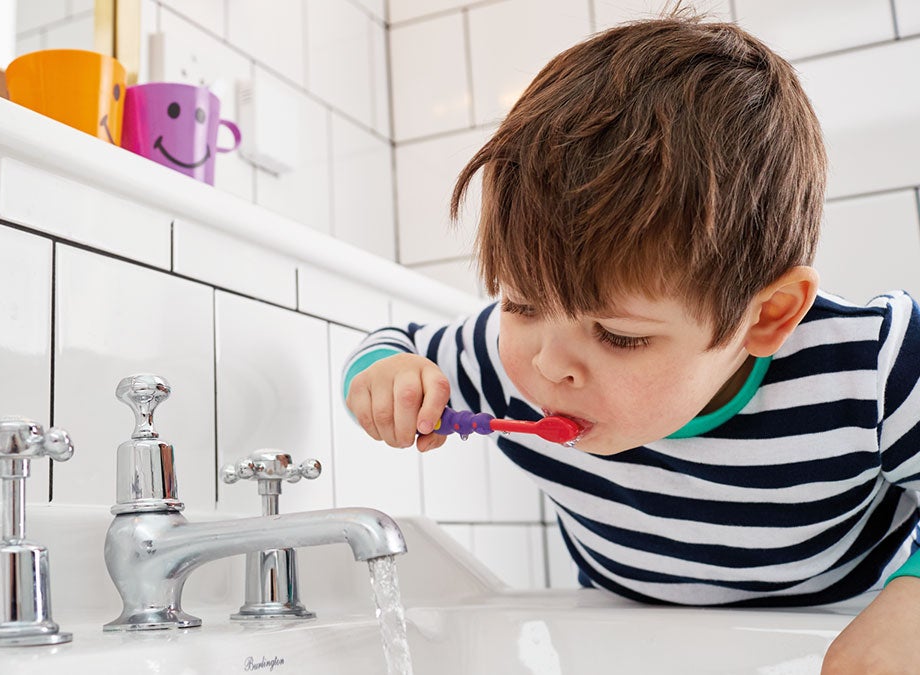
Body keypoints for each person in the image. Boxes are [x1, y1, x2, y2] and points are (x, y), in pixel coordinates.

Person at [343, 11, 920, 674]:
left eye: (619, 336)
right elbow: (392, 343)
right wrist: (386, 373)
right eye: (522, 303)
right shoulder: (508, 361)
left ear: (768, 316)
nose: (549, 363)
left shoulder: (871, 370)